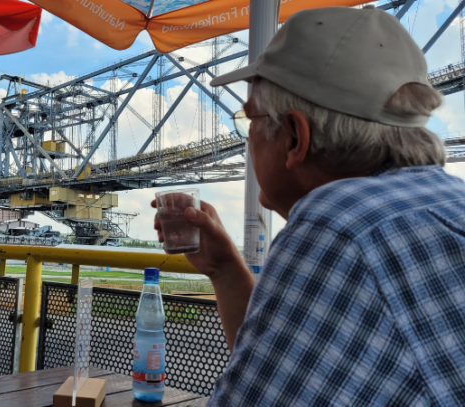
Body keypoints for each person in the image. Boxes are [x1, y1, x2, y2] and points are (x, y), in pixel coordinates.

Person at [153, 6, 465, 406]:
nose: (248, 139)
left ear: (296, 138)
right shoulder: (447, 201)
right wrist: (225, 268)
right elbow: (299, 368)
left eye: (251, 120)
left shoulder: (339, 224)